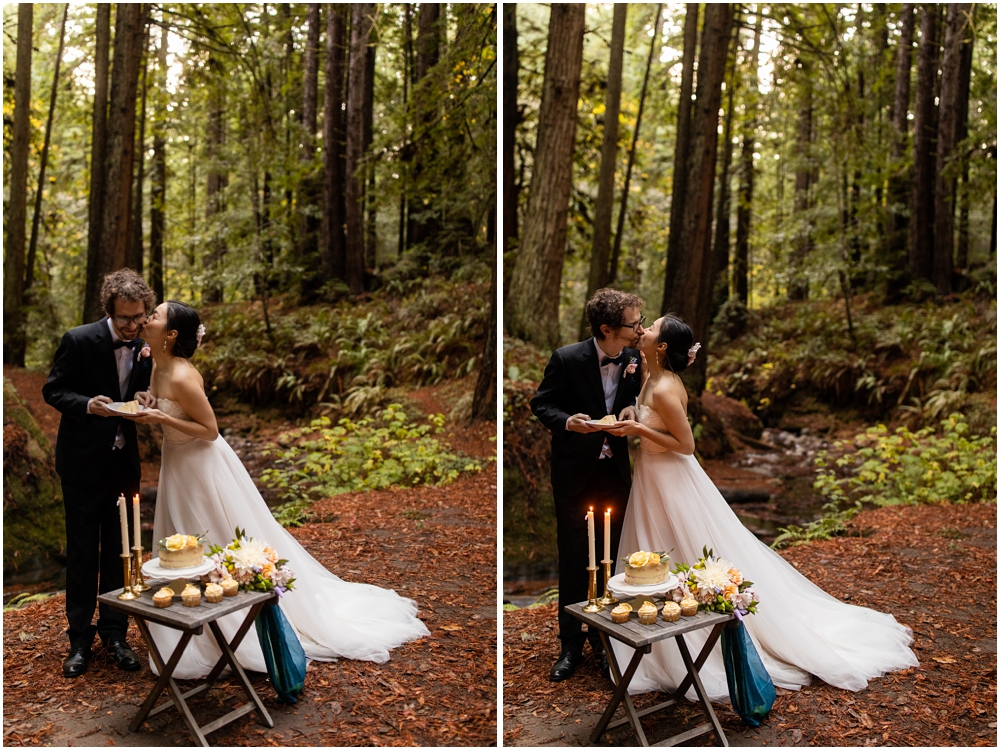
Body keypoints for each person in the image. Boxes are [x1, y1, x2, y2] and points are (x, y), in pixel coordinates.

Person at [601, 314, 919, 700]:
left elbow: (686, 445)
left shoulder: (666, 387)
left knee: (682, 548)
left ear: (662, 346)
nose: (643, 330)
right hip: (651, 477)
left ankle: (692, 638)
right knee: (657, 553)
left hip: (672, 479)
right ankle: (656, 630)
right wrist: (634, 415)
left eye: (650, 328)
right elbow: (657, 425)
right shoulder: (649, 376)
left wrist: (638, 431)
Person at [124, 301, 429, 679]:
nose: (147, 318)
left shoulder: (184, 376)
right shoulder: (156, 361)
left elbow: (210, 430)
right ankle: (192, 613)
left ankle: (233, 621)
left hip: (202, 465)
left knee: (215, 536)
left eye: (155, 315)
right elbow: (168, 409)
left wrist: (161, 417)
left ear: (170, 334)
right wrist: (149, 402)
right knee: (184, 546)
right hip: (177, 462)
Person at [42, 268, 156, 677]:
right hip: (81, 463)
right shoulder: (78, 339)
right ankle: (78, 640)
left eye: (138, 316)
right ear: (109, 310)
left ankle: (116, 634)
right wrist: (90, 404)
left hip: (123, 466)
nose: (131, 326)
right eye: (124, 318)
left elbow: (143, 391)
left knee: (121, 551)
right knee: (82, 552)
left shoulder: (146, 344)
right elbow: (53, 390)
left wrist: (145, 396)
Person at [530, 288, 646, 682]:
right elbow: (542, 403)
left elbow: (634, 400)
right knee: (575, 557)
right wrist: (567, 421)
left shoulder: (633, 357)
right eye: (633, 324)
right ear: (606, 328)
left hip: (615, 473)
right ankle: (569, 645)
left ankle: (604, 640)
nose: (639, 329)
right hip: (574, 473)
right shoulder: (566, 358)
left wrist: (632, 410)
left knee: (613, 557)